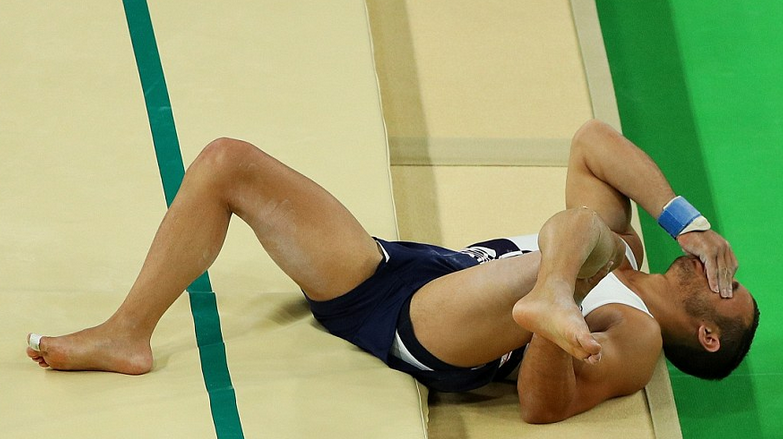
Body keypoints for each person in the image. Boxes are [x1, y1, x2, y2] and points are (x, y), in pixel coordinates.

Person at [27, 119, 759, 424]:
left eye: (729, 290)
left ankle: (544, 294)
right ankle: (127, 333)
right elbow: (592, 140)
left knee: (581, 241)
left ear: (704, 332)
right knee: (228, 162)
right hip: (396, 271)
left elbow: (541, 406)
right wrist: (683, 220)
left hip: (438, 331)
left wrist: (554, 328)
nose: (718, 271)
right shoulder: (627, 250)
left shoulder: (632, 339)